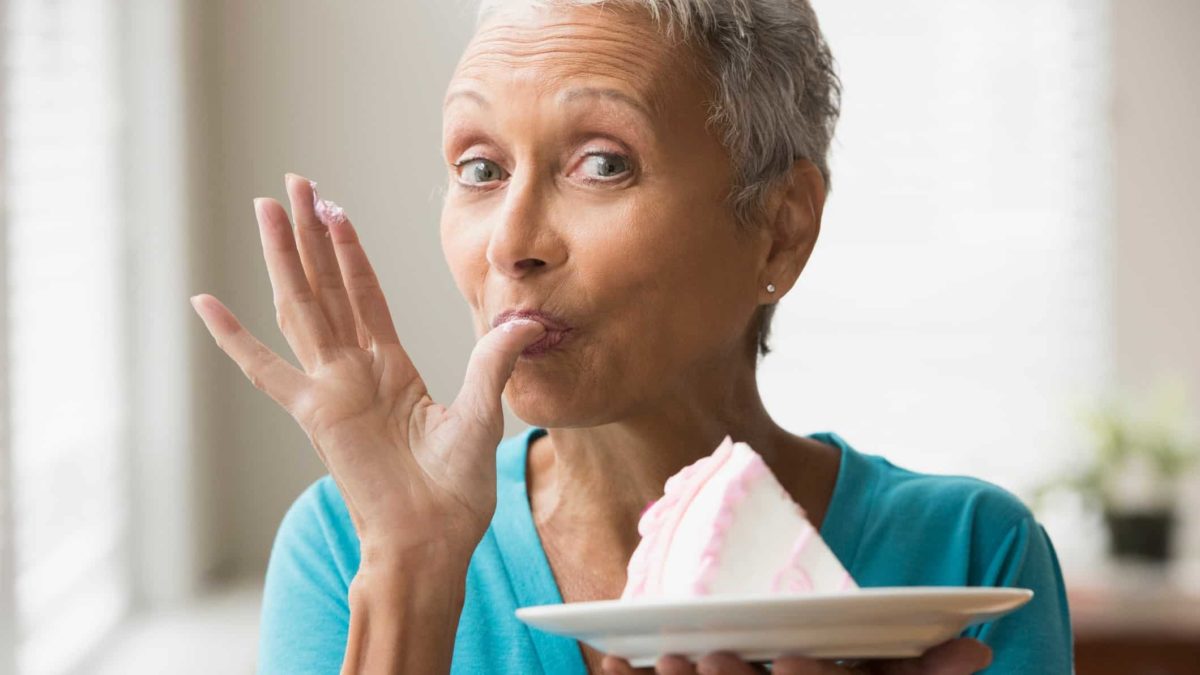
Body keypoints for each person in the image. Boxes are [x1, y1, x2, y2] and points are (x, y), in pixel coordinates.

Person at [188, 0, 1073, 673]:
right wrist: (414, 573)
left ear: (780, 226)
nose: (511, 244)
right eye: (480, 169)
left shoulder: (968, 553)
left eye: (602, 162)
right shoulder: (353, 545)